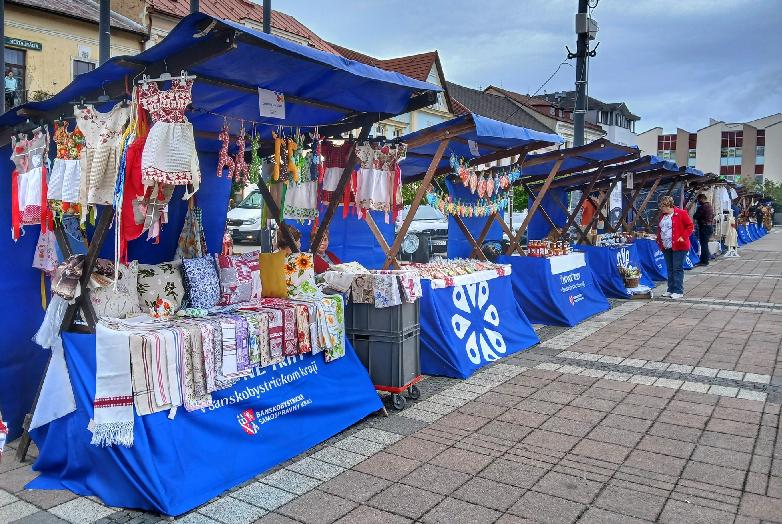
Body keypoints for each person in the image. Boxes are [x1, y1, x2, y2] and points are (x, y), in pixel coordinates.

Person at [656, 195, 693, 299]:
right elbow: (661, 229)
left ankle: (678, 290)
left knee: (677, 268)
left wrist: (683, 237)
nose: (661, 209)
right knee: (670, 268)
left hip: (679, 246)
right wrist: (658, 240)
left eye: (662, 206)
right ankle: (670, 289)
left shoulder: (681, 213)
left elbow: (690, 226)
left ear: (668, 205)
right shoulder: (663, 216)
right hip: (667, 246)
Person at [693, 193, 714, 266]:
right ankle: (705, 259)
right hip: (709, 226)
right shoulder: (710, 206)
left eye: (698, 200)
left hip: (704, 227)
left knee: (704, 244)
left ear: (701, 199)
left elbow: (695, 216)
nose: (698, 201)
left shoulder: (703, 207)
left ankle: (704, 261)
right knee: (705, 244)